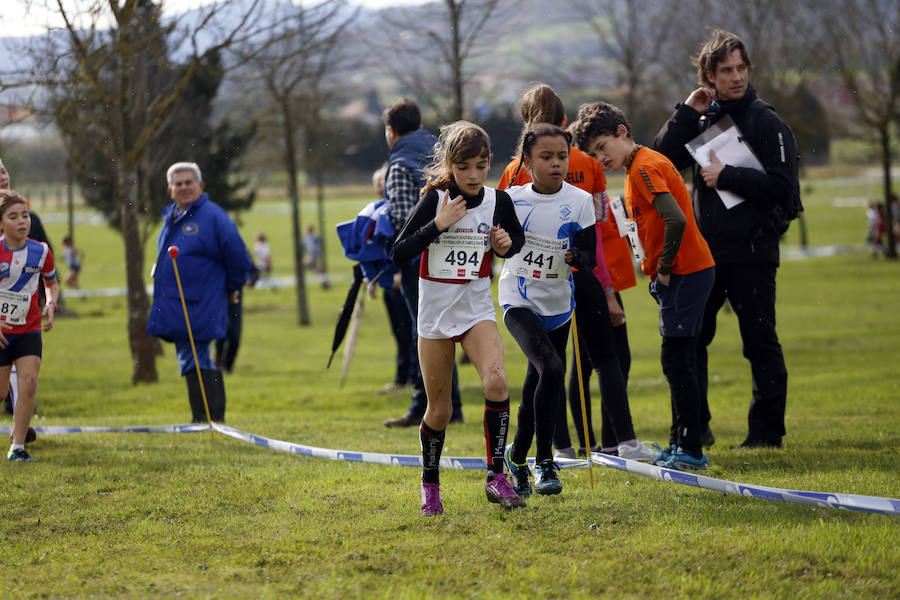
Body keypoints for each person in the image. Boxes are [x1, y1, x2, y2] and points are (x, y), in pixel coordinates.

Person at [652, 29, 796, 449]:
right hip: (705, 255)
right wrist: (685, 112)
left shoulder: (767, 121)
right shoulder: (701, 119)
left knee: (760, 342)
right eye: (725, 71)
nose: (736, 77)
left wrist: (728, 176)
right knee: (692, 342)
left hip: (753, 251)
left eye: (741, 68)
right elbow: (662, 161)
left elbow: (783, 187)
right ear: (709, 76)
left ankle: (766, 434)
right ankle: (695, 428)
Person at [497, 84, 652, 463]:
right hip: (576, 275)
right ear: (564, 120)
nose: (556, 164)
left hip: (547, 280)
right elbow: (597, 229)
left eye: (560, 157)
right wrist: (607, 287)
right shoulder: (588, 162)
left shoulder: (514, 169)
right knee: (604, 357)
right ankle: (622, 440)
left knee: (549, 365)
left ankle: (562, 447)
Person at [391, 121, 526, 515]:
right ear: (450, 165)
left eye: (481, 166)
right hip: (434, 314)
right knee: (441, 410)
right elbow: (399, 252)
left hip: (475, 308)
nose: (473, 175)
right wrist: (438, 224)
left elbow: (513, 240)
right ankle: (430, 488)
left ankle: (496, 478)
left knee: (497, 381)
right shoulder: (435, 199)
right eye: (464, 167)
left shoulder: (498, 201)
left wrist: (506, 245)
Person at [573, 101, 716, 471]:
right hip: (681, 273)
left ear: (622, 132)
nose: (600, 158)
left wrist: (665, 267)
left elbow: (676, 220)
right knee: (677, 360)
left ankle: (691, 449)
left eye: (602, 147)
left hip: (686, 272)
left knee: (677, 360)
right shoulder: (637, 167)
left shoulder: (646, 167)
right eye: (592, 153)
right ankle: (680, 442)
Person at [500, 123, 598, 497]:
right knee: (553, 369)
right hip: (518, 298)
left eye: (562, 156)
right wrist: (502, 243)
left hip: (558, 304)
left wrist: (578, 257)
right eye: (546, 157)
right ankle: (544, 462)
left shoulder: (580, 200)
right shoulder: (511, 198)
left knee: (538, 381)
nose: (556, 163)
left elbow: (589, 254)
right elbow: (502, 248)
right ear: (527, 162)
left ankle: (517, 456)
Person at [146, 162, 250, 423]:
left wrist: (232, 288)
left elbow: (238, 257)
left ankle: (210, 419)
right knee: (187, 355)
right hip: (175, 303)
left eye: (188, 182)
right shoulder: (170, 218)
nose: (183, 188)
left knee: (197, 353)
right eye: (178, 184)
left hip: (202, 301)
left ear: (200, 186)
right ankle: (202, 417)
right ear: (170, 190)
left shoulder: (213, 216)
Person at [381, 99, 462, 428]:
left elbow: (403, 221)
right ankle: (452, 406)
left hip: (420, 260)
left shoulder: (399, 164)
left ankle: (422, 407)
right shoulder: (440, 152)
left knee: (425, 333)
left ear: (391, 131)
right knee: (448, 330)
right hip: (455, 256)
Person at [0, 190, 59, 461]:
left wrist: (50, 303)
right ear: (1, 224)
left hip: (29, 329)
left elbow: (51, 282)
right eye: (13, 217)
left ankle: (18, 447)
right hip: (1, 332)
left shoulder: (41, 251)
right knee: (1, 392)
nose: (22, 221)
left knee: (29, 382)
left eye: (25, 215)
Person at [372, 165, 416, 393]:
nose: (380, 186)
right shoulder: (380, 211)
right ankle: (401, 377)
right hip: (388, 282)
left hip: (402, 278)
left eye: (383, 181)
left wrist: (398, 273)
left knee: (410, 331)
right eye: (378, 182)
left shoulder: (397, 211)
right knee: (398, 333)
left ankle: (412, 378)